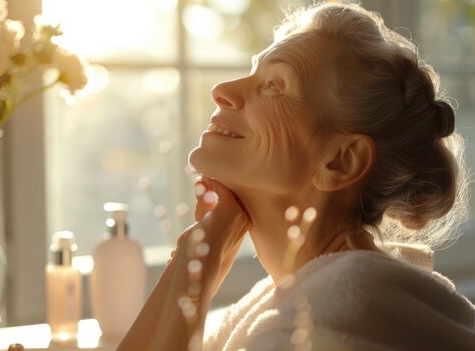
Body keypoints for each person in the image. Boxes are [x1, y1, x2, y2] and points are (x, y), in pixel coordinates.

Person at [118, 2, 475, 350]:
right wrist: (195, 256)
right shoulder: (284, 297)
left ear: (340, 161)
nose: (222, 92)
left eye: (274, 85)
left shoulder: (329, 320)